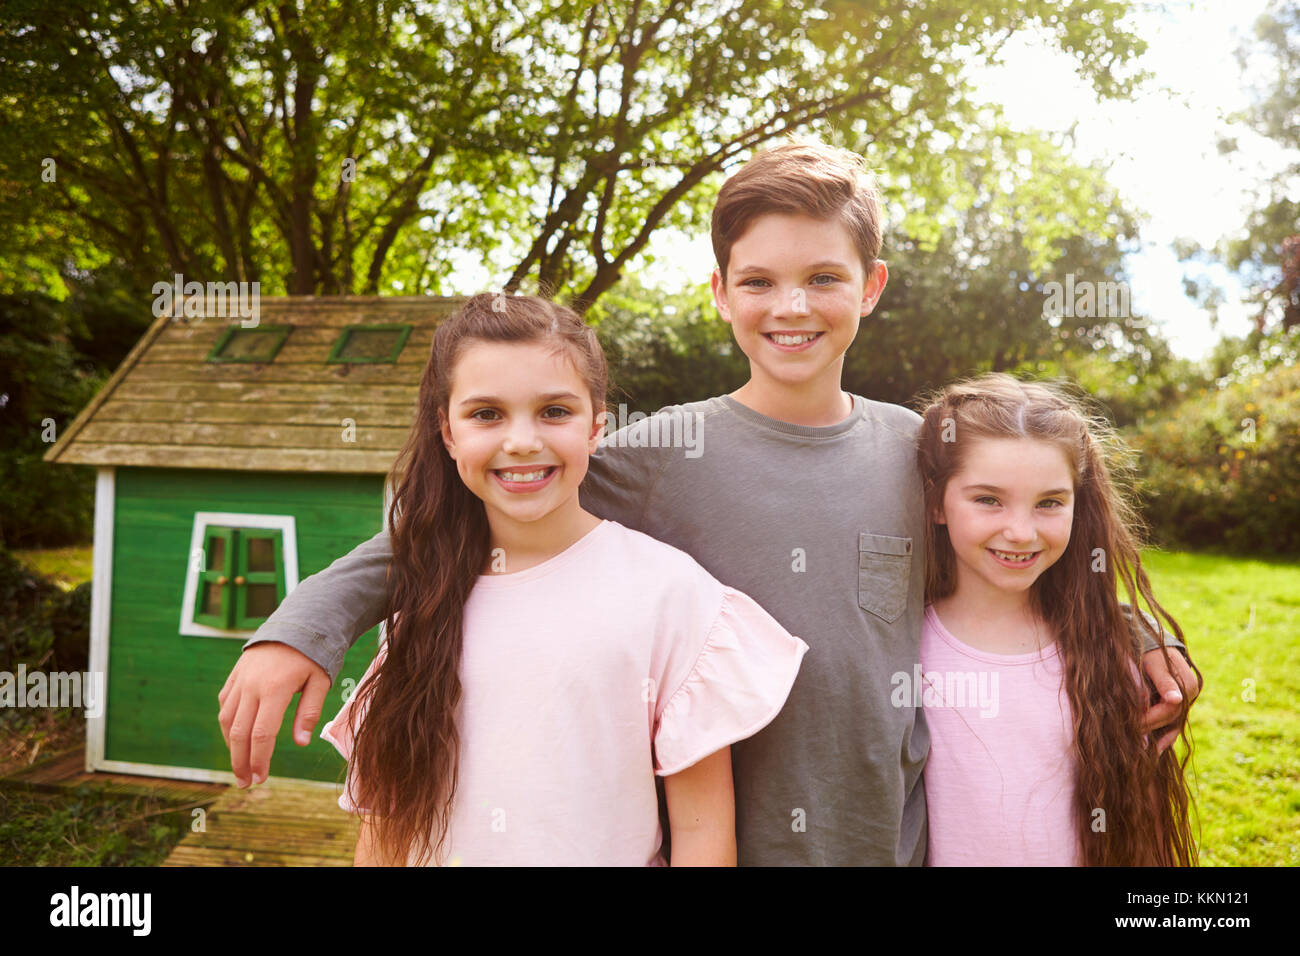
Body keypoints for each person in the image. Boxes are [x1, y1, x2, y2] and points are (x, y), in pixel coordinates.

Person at [219, 137, 1201, 865]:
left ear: (872, 286)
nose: (792, 306)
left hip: (885, 841)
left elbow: (1019, 555)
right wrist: (306, 621)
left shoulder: (922, 451)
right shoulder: (653, 455)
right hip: (713, 839)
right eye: (760, 280)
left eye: (824, 277)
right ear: (720, 294)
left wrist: (1128, 629)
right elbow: (466, 511)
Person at [313, 293, 807, 866]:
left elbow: (702, 834)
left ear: (597, 425)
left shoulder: (668, 593)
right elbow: (385, 831)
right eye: (486, 414)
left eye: (554, 411)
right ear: (448, 434)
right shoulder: (421, 603)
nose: (522, 441)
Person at [914, 374, 1199, 865]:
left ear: (1077, 503)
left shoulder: (1111, 659)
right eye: (988, 499)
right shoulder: (898, 646)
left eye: (1049, 502)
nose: (1021, 532)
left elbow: (1143, 835)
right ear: (938, 502)